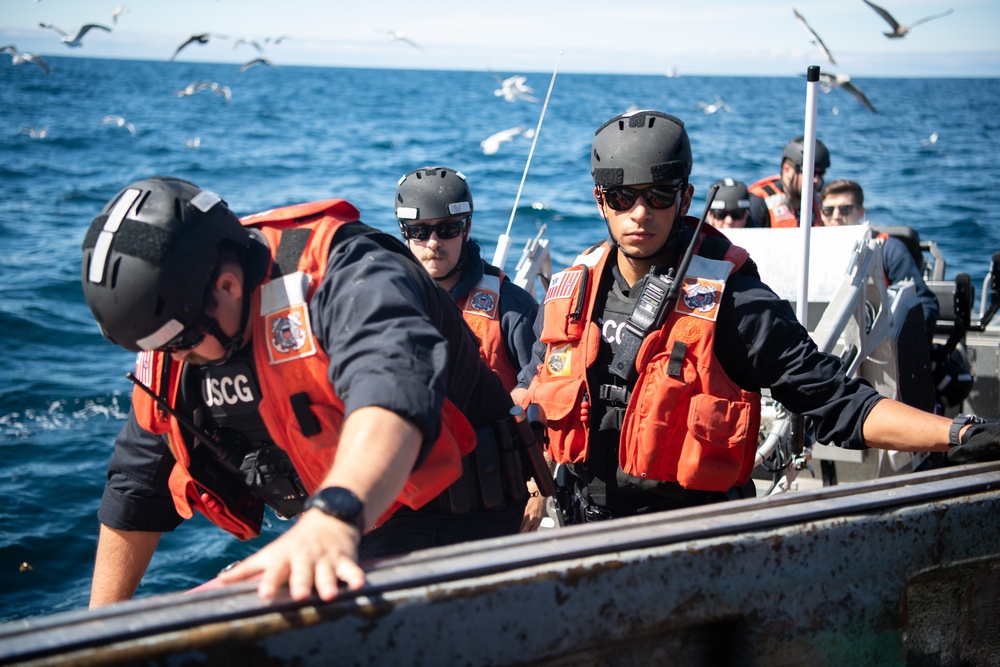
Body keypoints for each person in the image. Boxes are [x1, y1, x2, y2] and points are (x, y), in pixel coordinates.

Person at [519, 109, 1000, 524]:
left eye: (659, 195)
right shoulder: (573, 290)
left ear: (685, 200)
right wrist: (534, 485)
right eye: (623, 197)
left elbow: (837, 400)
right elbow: (533, 390)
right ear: (601, 200)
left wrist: (956, 434)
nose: (640, 213)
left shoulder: (736, 300)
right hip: (581, 530)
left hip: (688, 540)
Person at [81, 177, 535, 606]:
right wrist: (98, 630)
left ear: (227, 285)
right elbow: (137, 484)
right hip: (347, 515)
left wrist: (334, 516)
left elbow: (394, 384)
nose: (176, 359)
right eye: (158, 347)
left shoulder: (350, 272)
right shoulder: (182, 331)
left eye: (179, 342)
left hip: (453, 505)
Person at [394, 165, 546, 531]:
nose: (433, 242)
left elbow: (546, 394)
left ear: (467, 227)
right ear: (404, 234)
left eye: (446, 229)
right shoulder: (386, 307)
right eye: (419, 232)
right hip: (412, 500)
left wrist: (540, 487)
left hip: (493, 499)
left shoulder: (511, 307)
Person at [820, 179, 939, 340]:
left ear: (861, 212)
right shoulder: (812, 252)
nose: (836, 216)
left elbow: (924, 304)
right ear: (821, 213)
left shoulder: (889, 250)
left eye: (844, 209)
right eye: (828, 210)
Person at [748, 136, 829, 228]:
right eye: (810, 173)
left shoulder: (823, 204)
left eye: (821, 173)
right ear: (787, 169)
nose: (816, 179)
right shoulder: (758, 202)